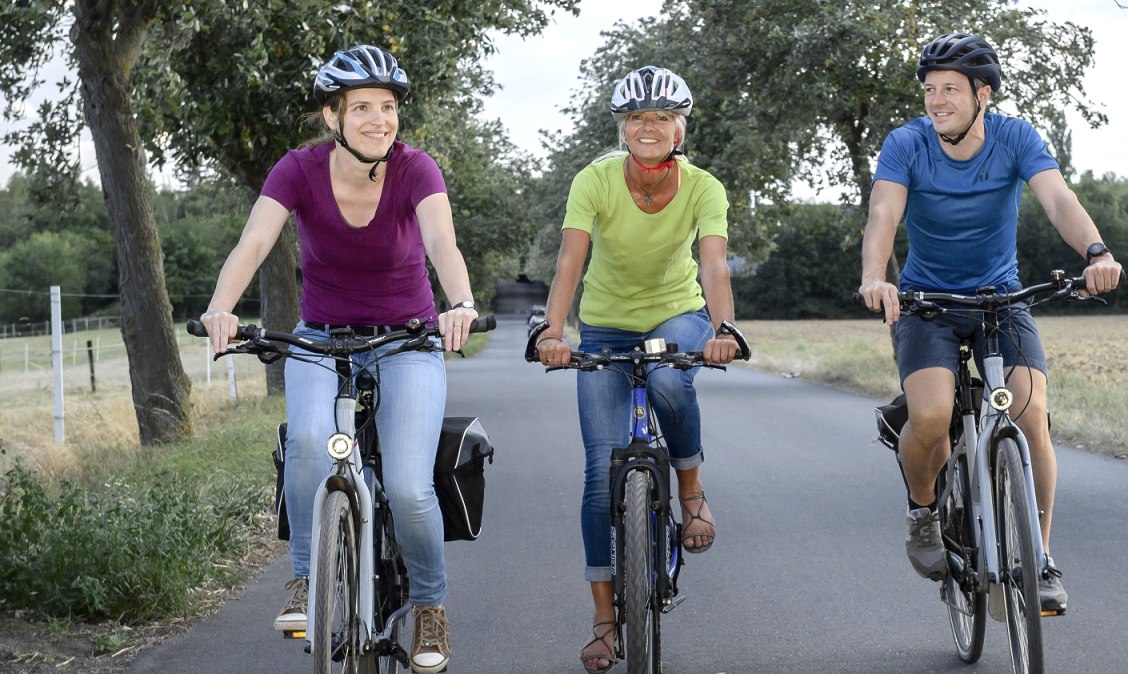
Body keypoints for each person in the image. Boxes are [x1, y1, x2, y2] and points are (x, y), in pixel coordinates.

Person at [199, 44, 480, 674]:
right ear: (333, 116)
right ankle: (305, 577)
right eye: (362, 108)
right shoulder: (297, 170)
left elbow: (442, 241)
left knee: (408, 486)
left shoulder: (416, 169)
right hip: (321, 337)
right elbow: (254, 242)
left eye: (388, 107)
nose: (379, 120)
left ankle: (429, 606)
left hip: (407, 339)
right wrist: (221, 309)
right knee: (306, 443)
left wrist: (459, 302)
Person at [857, 32, 1123, 614]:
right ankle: (923, 513)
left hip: (1001, 299)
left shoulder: (1015, 137)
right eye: (930, 89)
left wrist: (1096, 252)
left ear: (983, 94)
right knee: (931, 415)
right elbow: (883, 211)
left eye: (950, 89)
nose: (937, 101)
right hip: (927, 303)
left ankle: (1040, 557)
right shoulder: (906, 143)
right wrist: (876, 276)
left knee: (1028, 412)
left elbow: (1057, 199)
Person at [533, 65, 740, 674]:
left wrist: (723, 329)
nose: (649, 127)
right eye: (636, 118)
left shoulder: (704, 187)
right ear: (622, 128)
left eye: (662, 117)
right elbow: (570, 261)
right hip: (604, 326)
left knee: (672, 378)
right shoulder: (594, 180)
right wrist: (553, 332)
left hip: (678, 316)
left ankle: (691, 491)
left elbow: (714, 266)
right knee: (600, 474)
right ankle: (605, 620)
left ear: (680, 128)